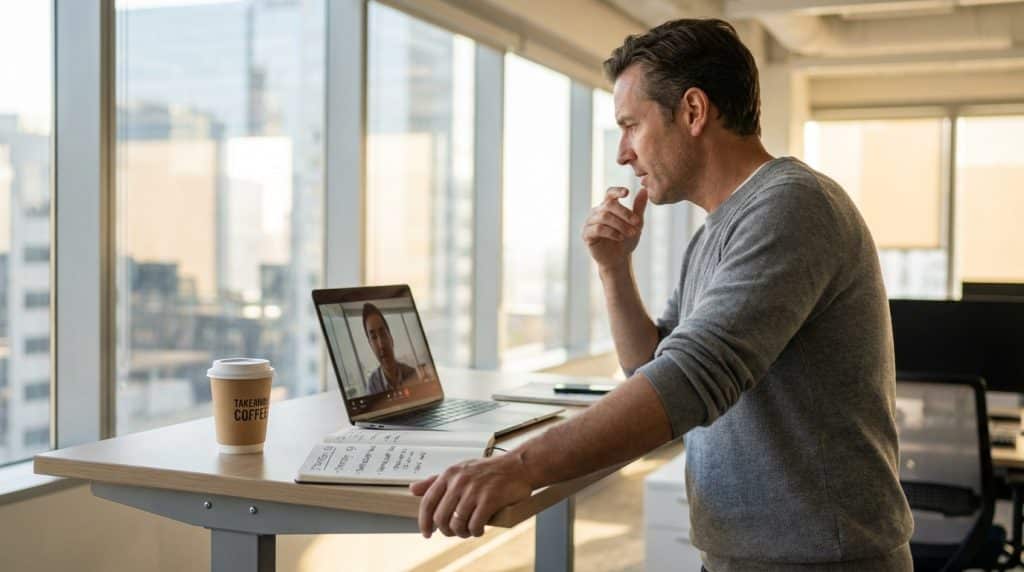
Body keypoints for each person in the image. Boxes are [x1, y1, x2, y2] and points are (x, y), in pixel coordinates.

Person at [411, 18, 913, 570]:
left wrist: (521, 466)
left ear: (693, 112)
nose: (623, 152)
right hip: (745, 553)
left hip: (823, 559)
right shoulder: (713, 234)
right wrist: (613, 269)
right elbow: (651, 366)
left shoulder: (793, 207)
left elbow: (690, 379)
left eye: (631, 125)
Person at [362, 302, 417, 395]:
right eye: (374, 337)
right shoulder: (372, 386)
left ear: (391, 338)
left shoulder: (412, 374)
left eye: (383, 333)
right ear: (370, 345)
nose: (381, 345)